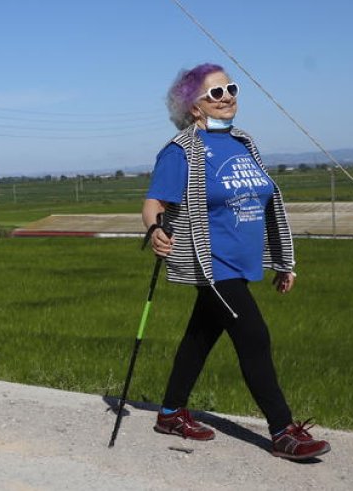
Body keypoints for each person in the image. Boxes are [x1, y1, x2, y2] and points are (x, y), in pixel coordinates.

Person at [143, 63, 330, 461]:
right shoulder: (180, 150)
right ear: (194, 106)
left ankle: (170, 413)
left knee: (200, 336)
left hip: (242, 262)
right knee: (254, 336)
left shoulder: (243, 142)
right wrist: (155, 229)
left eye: (231, 88)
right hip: (211, 263)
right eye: (215, 92)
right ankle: (283, 432)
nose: (227, 96)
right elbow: (154, 202)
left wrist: (282, 261)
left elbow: (266, 202)